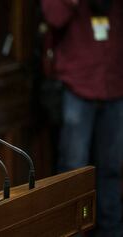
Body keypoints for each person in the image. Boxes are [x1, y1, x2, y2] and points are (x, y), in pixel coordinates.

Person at [41, 0, 123, 236]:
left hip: (115, 86)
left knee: (111, 169)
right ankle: (72, 231)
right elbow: (53, 16)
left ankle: (112, 231)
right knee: (73, 170)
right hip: (77, 85)